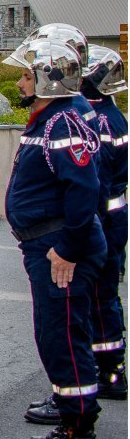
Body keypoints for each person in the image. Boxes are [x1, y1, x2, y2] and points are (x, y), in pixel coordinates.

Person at [3, 38, 106, 439]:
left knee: (61, 337)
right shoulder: (50, 120)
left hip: (58, 247)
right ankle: (72, 417)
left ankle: (78, 431)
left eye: (27, 74)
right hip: (48, 243)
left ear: (47, 77)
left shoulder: (61, 123)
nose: (22, 82)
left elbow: (84, 192)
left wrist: (67, 249)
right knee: (57, 334)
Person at [84, 46, 128, 399]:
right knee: (105, 295)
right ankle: (109, 366)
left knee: (100, 297)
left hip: (104, 222)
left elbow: (94, 180)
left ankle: (110, 371)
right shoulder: (114, 116)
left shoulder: (98, 121)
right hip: (113, 218)